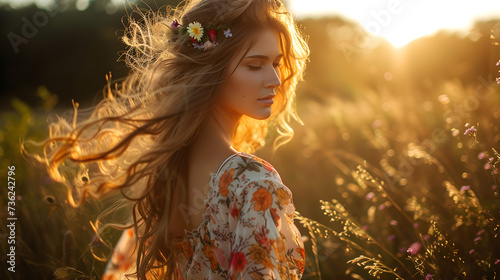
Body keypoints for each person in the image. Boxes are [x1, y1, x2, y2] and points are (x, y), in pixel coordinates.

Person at [24, 0, 309, 279]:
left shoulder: (168, 171)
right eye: (255, 65)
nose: (275, 78)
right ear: (212, 68)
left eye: (276, 63)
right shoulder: (254, 182)